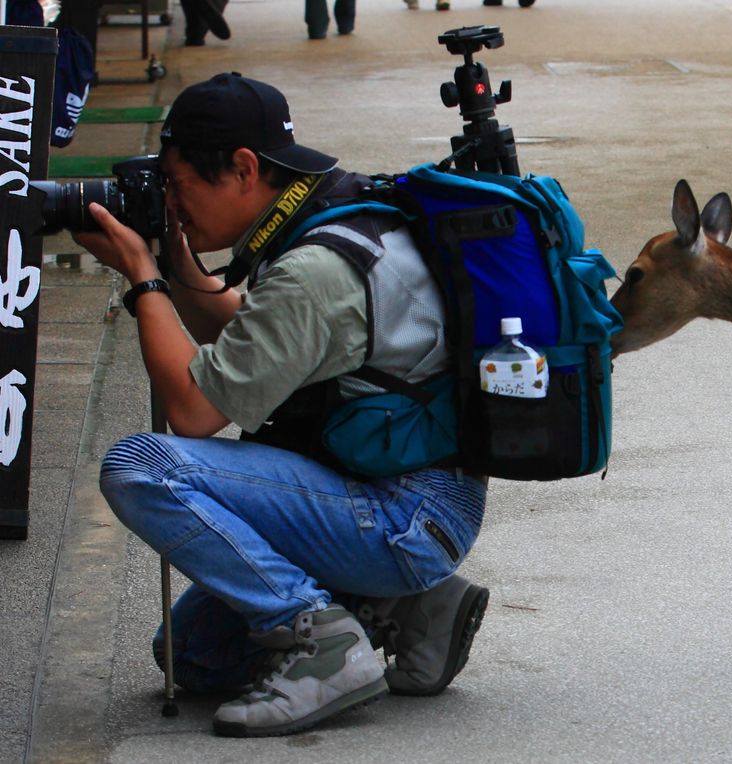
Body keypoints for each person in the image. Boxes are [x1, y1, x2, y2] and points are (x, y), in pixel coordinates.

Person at [72, 72, 489, 738]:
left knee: (143, 466)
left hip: (402, 512)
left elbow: (194, 412)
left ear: (242, 168)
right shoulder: (337, 211)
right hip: (405, 494)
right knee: (193, 659)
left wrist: (143, 279)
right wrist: (175, 261)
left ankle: (324, 642)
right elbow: (255, 343)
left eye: (179, 186)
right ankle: (408, 607)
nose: (173, 204)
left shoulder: (314, 267)